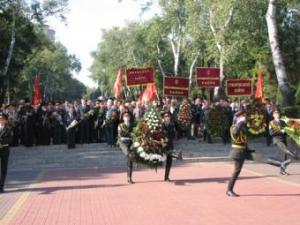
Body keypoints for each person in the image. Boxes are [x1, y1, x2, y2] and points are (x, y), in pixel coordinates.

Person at [226, 110, 292, 197]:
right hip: (237, 152)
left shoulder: (242, 127)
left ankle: (281, 164)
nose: (245, 118)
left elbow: (247, 136)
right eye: (243, 117)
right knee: (236, 171)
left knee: (262, 158)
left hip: (245, 151)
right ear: (238, 118)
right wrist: (240, 122)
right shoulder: (234, 127)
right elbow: (235, 133)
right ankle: (229, 190)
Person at [118, 112, 135, 183]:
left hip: (130, 143)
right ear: (123, 118)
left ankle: (129, 178)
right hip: (123, 143)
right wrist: (129, 136)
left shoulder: (132, 125)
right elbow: (120, 136)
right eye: (125, 116)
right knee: (129, 155)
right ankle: (129, 178)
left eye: (128, 116)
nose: (127, 117)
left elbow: (134, 134)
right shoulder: (120, 125)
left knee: (130, 160)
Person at [0, 112, 13, 193]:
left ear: (5, 121)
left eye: (2, 119)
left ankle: (1, 186)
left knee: (3, 169)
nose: (0, 120)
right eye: (0, 119)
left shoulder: (8, 129)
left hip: (4, 149)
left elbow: (10, 139)